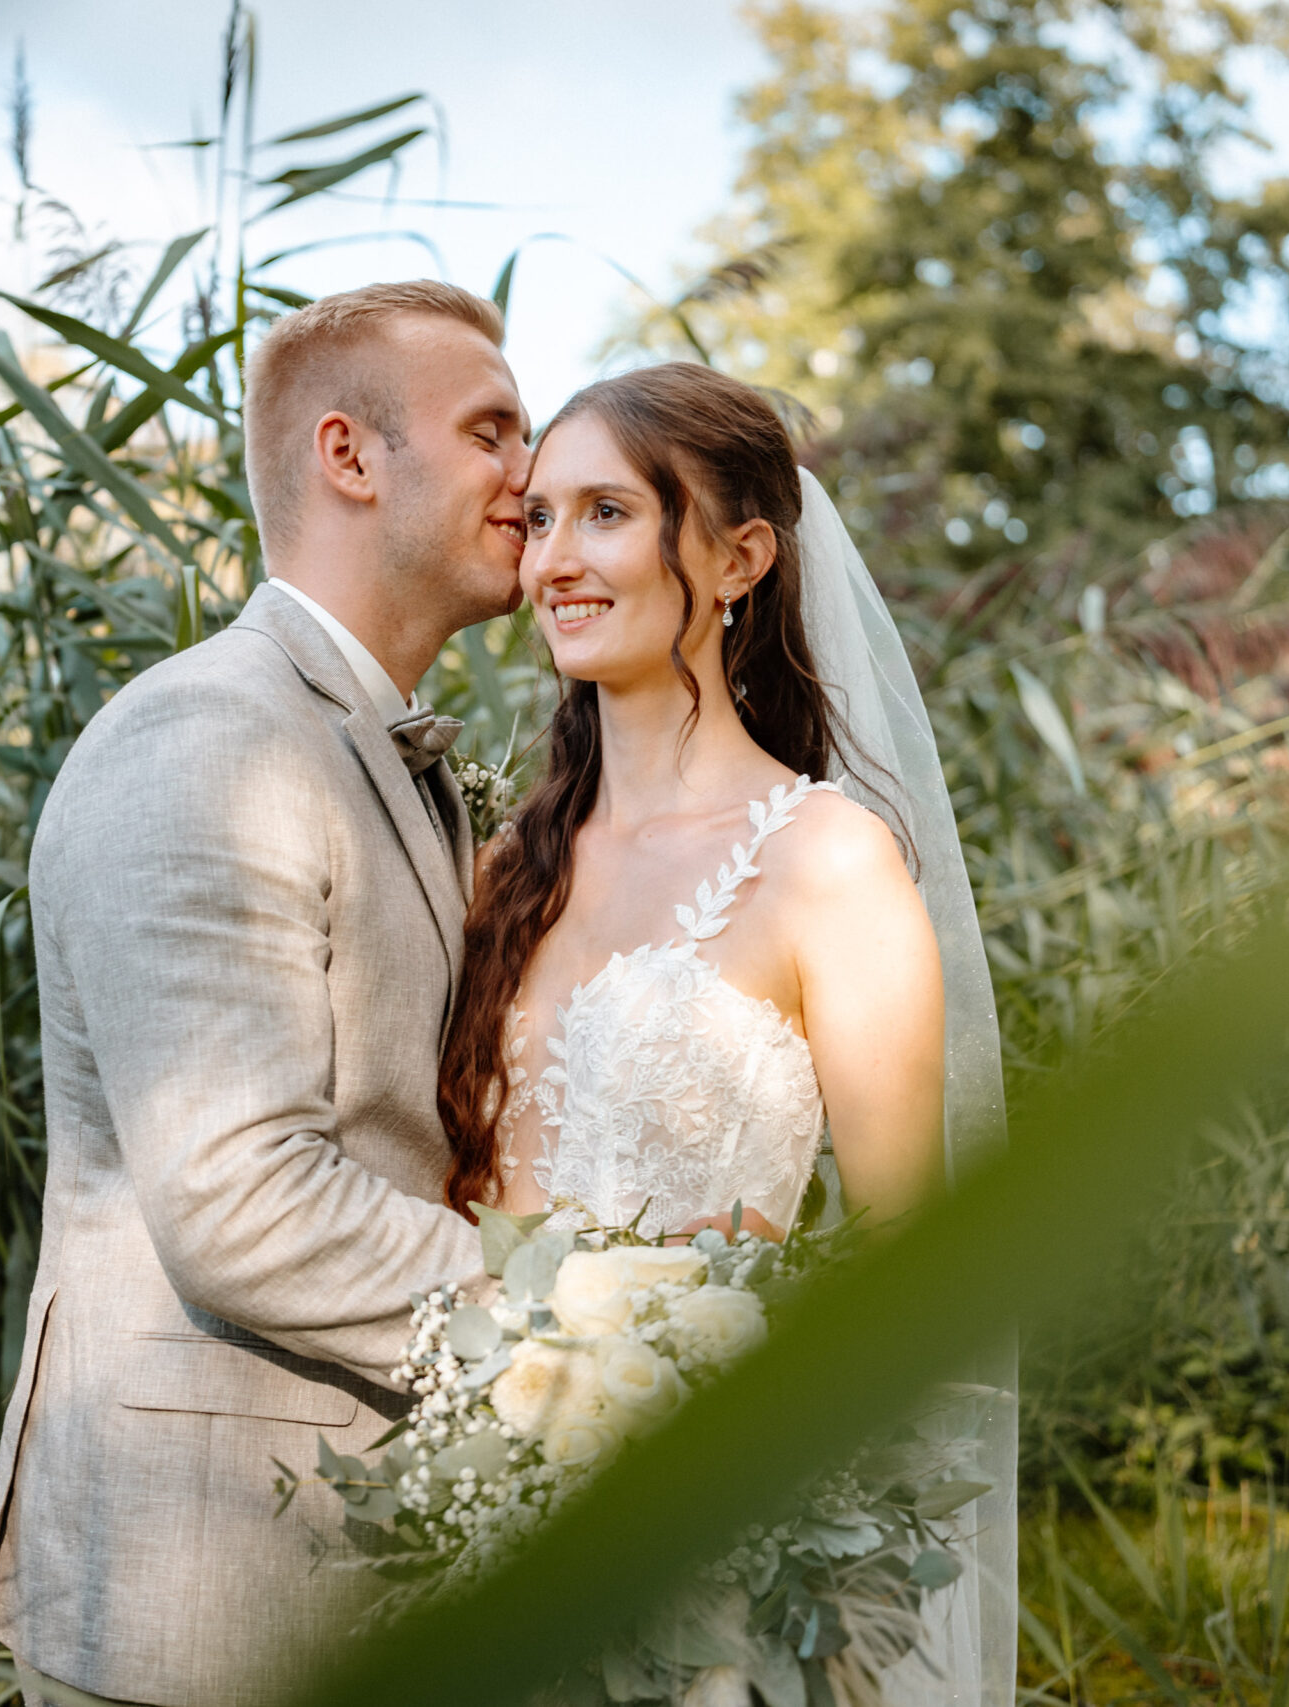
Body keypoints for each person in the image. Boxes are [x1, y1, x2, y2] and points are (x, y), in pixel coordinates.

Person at [0, 280, 533, 1707]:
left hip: (344, 1566)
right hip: (197, 1609)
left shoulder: (375, 748)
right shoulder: (206, 737)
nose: (530, 479)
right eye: (491, 431)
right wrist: (576, 1321)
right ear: (351, 456)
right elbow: (240, 1198)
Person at [436, 362, 1015, 1706]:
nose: (554, 563)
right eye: (541, 520)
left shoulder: (828, 864)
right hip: (462, 1520)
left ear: (741, 553)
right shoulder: (504, 862)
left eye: (608, 516)